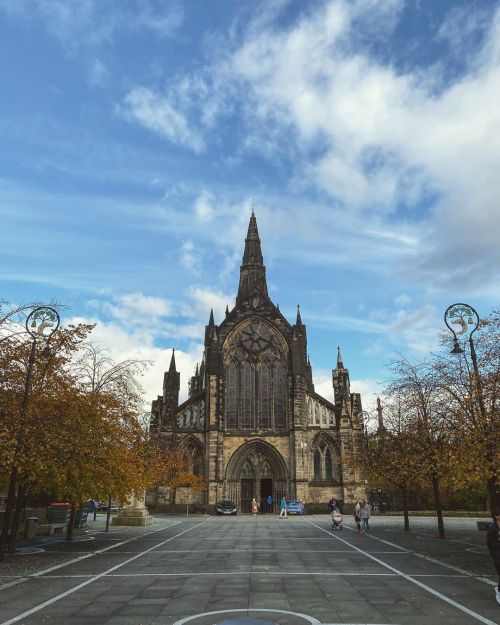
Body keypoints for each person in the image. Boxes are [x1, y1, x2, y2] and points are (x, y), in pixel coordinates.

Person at [486, 509, 500, 605]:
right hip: (498, 555)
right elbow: (490, 543)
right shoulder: (492, 529)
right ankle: (499, 591)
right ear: (496, 516)